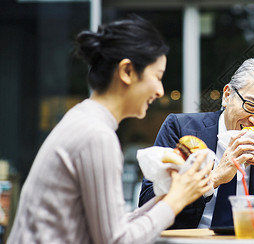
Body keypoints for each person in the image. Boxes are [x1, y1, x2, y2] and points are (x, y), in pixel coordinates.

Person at [7, 15, 213, 243]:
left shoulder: (84, 119)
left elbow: (112, 228)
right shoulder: (97, 136)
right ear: (126, 71)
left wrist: (171, 196)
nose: (160, 91)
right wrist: (174, 201)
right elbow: (116, 240)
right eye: (157, 77)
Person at [139, 57, 254, 229]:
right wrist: (213, 179)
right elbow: (147, 205)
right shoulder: (181, 130)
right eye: (251, 105)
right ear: (227, 95)